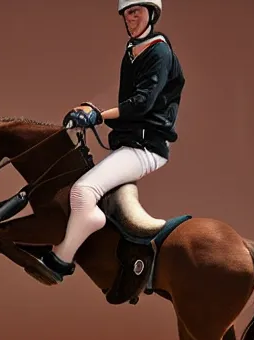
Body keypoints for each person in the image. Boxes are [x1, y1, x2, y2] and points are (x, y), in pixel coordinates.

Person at [37, 0, 185, 282]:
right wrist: (91, 109)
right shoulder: (133, 50)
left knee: (82, 193)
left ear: (151, 13)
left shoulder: (160, 52)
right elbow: (124, 100)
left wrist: (98, 116)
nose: (130, 19)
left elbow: (142, 104)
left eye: (136, 12)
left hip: (146, 148)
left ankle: (61, 260)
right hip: (129, 143)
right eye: (127, 14)